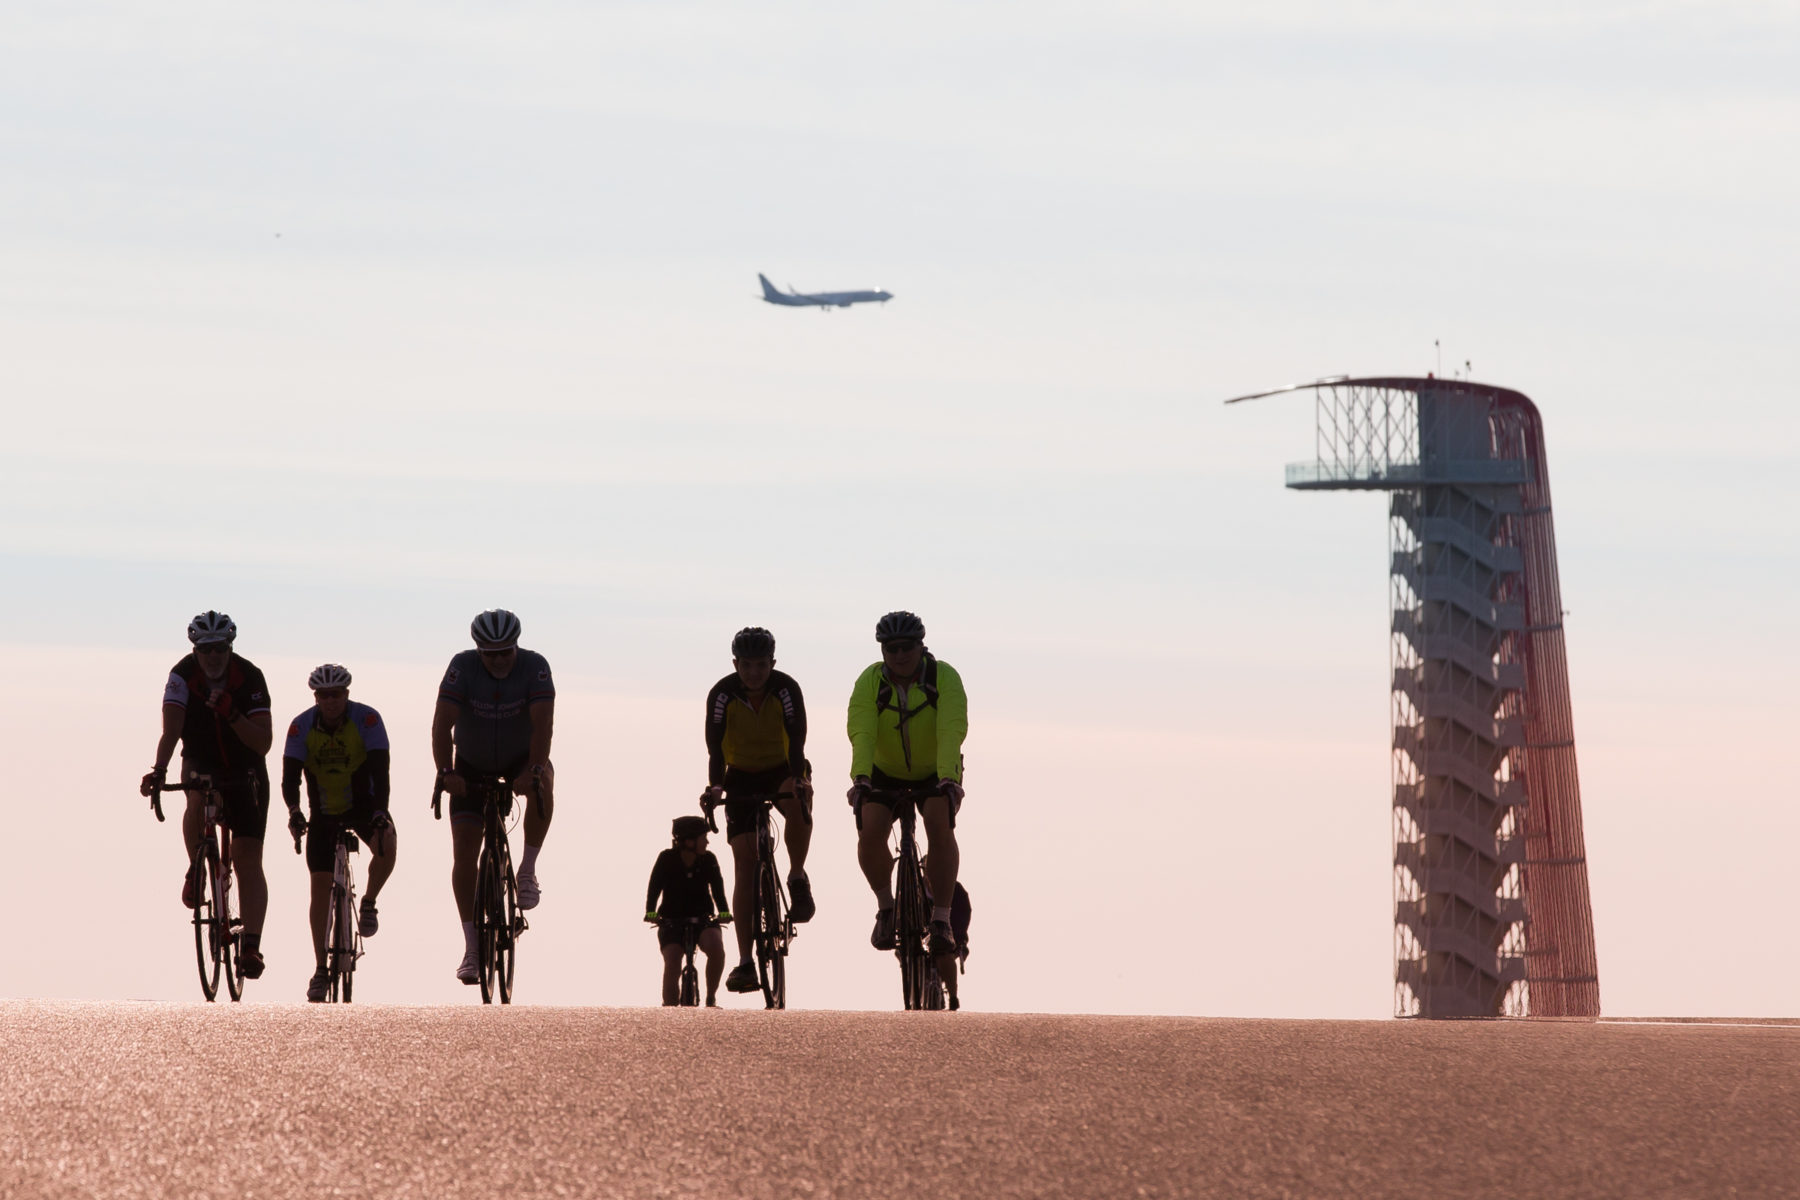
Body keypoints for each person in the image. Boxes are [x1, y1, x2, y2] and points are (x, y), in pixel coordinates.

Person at [139, 611, 276, 980]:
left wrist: (233, 715)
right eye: (205, 650)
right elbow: (171, 730)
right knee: (195, 797)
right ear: (195, 650)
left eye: (220, 649)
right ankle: (196, 864)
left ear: (229, 647)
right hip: (200, 757)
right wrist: (159, 769)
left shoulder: (249, 677)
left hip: (245, 764)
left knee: (248, 859)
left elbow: (263, 743)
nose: (213, 656)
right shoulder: (182, 676)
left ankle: (251, 945)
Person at [432, 608, 556, 985]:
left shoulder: (535, 667)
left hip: (521, 757)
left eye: (506, 652)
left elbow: (543, 726)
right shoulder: (462, 668)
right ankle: (471, 948)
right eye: (491, 654)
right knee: (465, 851)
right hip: (471, 765)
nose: (499, 660)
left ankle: (528, 869)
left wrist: (532, 770)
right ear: (478, 651)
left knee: (544, 781)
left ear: (516, 647)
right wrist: (446, 773)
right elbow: (441, 726)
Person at [846, 610, 968, 958]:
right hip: (883, 771)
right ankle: (887, 908)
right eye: (891, 648)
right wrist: (861, 778)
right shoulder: (870, 682)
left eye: (907, 647)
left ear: (921, 645)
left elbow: (951, 729)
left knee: (938, 822)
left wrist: (948, 778)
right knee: (870, 830)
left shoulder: (943, 677)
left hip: (935, 771)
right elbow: (862, 731)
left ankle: (942, 920)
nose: (900, 655)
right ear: (882, 651)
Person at [701, 626, 814, 996]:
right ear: (735, 664)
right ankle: (746, 960)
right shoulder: (722, 694)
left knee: (797, 801)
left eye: (761, 665)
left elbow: (797, 739)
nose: (753, 673)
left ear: (773, 663)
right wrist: (716, 788)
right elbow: (715, 750)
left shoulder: (786, 689)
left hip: (784, 768)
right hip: (740, 776)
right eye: (746, 665)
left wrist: (798, 778)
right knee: (744, 865)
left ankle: (796, 875)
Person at [281, 664, 398, 1003]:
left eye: (336, 695)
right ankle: (320, 969)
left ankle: (370, 901)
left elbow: (381, 770)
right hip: (324, 813)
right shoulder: (301, 726)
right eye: (323, 696)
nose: (330, 701)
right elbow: (290, 778)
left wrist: (379, 811)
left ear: (347, 694)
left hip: (362, 806)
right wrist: (294, 811)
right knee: (318, 889)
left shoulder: (367, 720)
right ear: (316, 697)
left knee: (388, 844)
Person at [644, 815, 732, 1006]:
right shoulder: (666, 858)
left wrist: (724, 912)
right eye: (703, 837)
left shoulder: (709, 860)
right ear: (689, 841)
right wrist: (651, 912)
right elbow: (654, 888)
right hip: (671, 920)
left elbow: (718, 890)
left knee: (716, 949)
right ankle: (670, 1010)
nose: (707, 842)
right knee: (673, 961)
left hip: (704, 919)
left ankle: (711, 997)